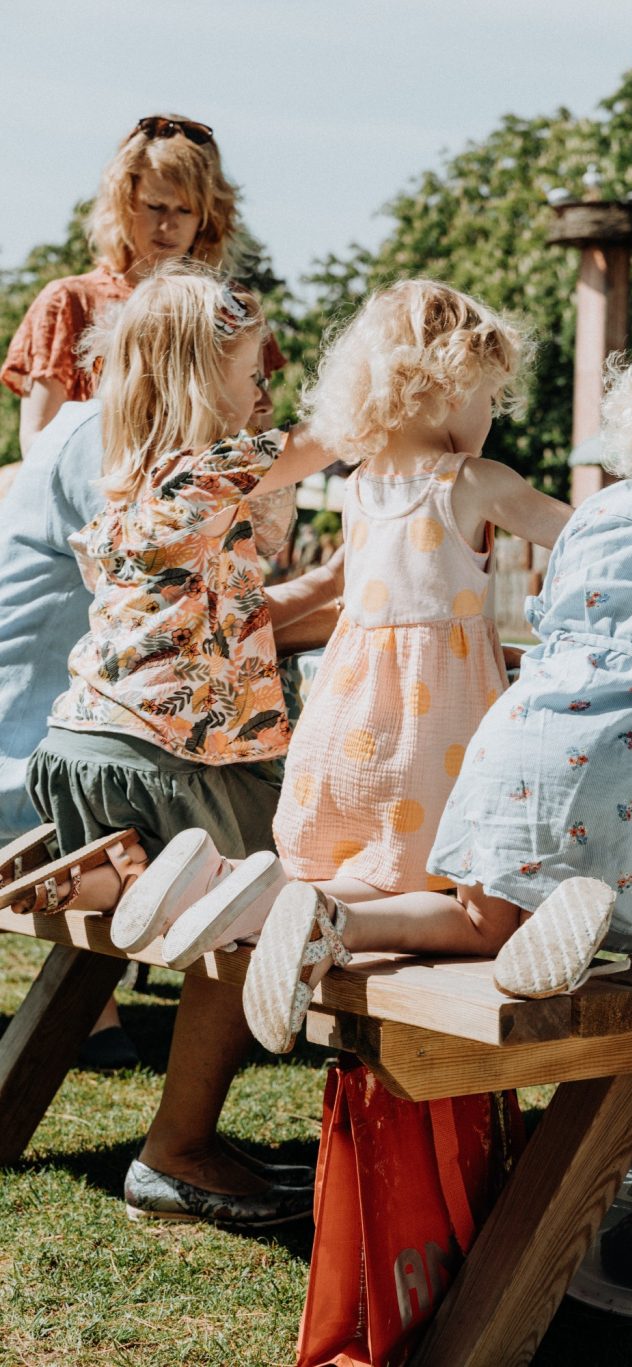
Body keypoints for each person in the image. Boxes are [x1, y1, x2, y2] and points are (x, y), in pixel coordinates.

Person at [169, 314, 632, 1040]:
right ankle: (572, 927)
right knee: (590, 902)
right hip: (626, 753)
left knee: (475, 916)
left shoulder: (602, 510)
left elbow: (555, 613)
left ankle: (338, 918)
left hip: (511, 732)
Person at [112, 278, 571, 1051]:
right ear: (446, 388)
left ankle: (219, 887)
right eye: (488, 396)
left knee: (365, 870)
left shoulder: (358, 489)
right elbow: (586, 535)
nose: (490, 417)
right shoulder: (473, 482)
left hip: (344, 725)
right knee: (483, 918)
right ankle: (333, 922)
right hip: (437, 736)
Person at [1, 264, 340, 1222]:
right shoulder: (210, 468)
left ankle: (110, 874)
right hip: (161, 756)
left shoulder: (126, 479)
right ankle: (179, 1148)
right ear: (198, 377)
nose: (266, 385)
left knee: (199, 891)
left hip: (84, 748)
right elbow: (338, 436)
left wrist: (337, 586)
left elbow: (217, 616)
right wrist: (402, 382)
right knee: (257, 906)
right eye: (250, 369)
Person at [2, 113, 285, 454]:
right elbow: (38, 443)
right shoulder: (68, 301)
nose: (168, 225)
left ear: (208, 218)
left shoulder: (232, 304)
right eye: (155, 206)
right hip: (96, 498)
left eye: (185, 211)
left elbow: (258, 438)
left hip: (203, 501)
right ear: (123, 205)